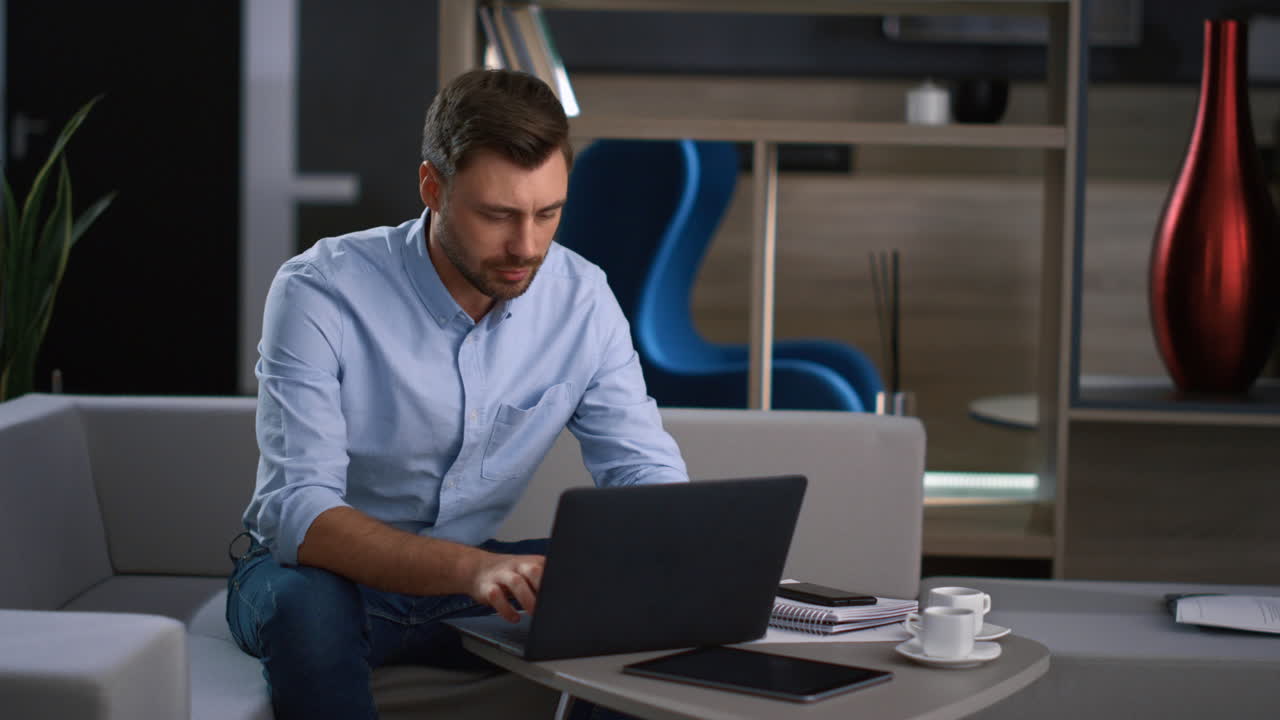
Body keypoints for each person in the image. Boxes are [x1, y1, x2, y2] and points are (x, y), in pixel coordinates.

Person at [226, 69, 688, 719]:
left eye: (547, 214)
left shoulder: (582, 300)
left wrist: (675, 552)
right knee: (305, 608)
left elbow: (641, 467)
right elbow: (299, 512)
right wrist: (467, 570)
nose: (526, 247)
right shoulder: (319, 291)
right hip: (321, 579)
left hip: (472, 582)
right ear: (432, 188)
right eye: (498, 215)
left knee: (635, 595)